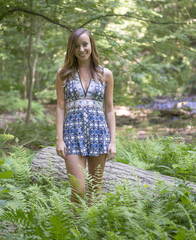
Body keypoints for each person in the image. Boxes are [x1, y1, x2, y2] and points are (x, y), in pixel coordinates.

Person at [55, 28, 116, 206]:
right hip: (72, 134)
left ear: (91, 45)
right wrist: (59, 139)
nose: (81, 49)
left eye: (84, 44)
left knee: (96, 188)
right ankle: (73, 230)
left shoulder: (105, 74)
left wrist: (113, 141)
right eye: (76, 46)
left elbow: (110, 109)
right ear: (71, 49)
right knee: (78, 189)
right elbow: (60, 106)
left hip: (99, 135)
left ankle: (90, 230)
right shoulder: (63, 73)